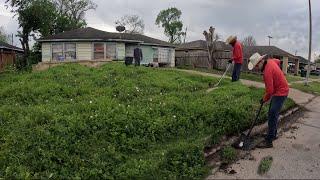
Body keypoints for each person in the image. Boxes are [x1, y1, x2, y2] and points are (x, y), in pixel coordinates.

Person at [248, 53, 289, 148]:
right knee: (272, 113)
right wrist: (278, 75)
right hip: (279, 90)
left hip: (281, 92)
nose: (257, 68)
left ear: (261, 61)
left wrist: (264, 99)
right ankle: (273, 134)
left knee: (272, 114)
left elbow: (269, 91)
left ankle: (269, 141)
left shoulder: (267, 72)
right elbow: (278, 61)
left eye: (257, 65)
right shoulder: (271, 61)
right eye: (255, 66)